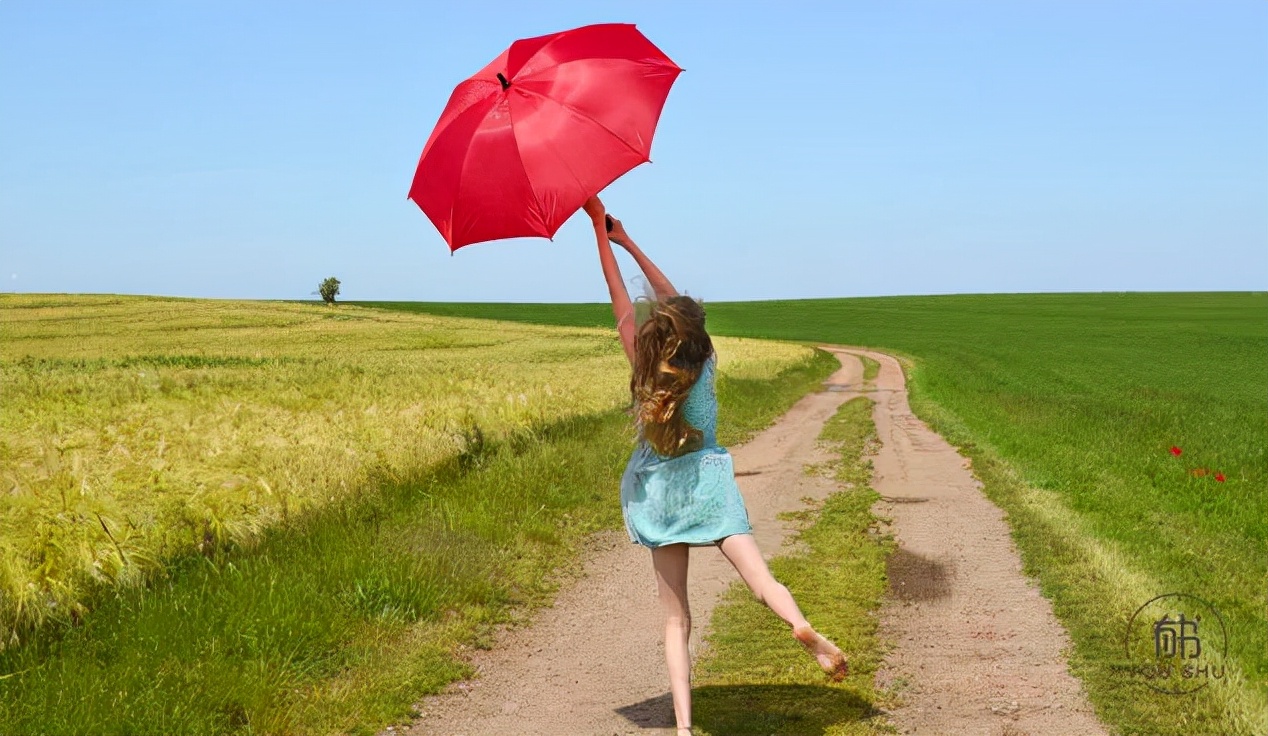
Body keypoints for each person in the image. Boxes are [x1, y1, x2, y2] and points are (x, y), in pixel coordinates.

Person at [581, 197, 848, 736]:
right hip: (708, 482)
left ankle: (683, 728)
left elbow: (620, 302)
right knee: (759, 576)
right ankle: (798, 624)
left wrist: (595, 234)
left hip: (659, 490)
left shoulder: (642, 364)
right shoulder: (703, 361)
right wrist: (625, 238)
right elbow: (673, 300)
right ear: (694, 334)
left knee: (675, 616)